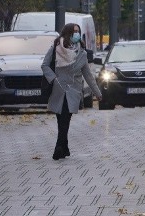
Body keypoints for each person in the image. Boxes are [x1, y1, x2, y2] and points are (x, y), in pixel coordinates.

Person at [41, 23, 103, 161]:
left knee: (66, 118)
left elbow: (87, 75)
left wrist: (97, 92)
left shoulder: (82, 53)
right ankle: (60, 147)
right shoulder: (56, 48)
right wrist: (53, 79)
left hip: (73, 91)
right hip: (58, 89)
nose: (76, 34)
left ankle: (63, 146)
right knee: (61, 118)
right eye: (74, 31)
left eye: (78, 32)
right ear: (67, 33)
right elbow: (44, 65)